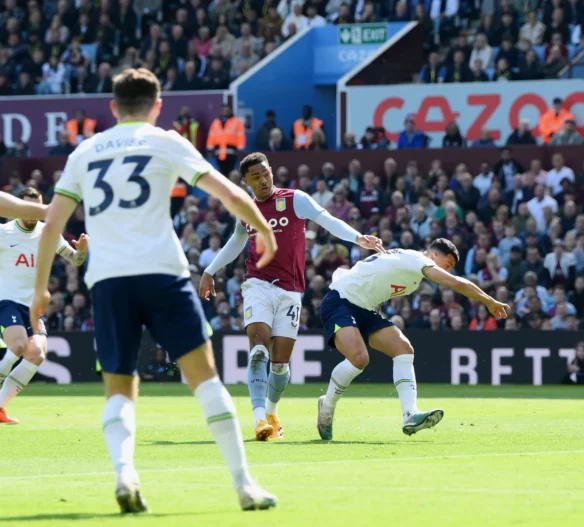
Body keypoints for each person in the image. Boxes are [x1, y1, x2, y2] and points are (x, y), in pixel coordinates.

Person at [31, 68, 279, 513]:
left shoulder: (85, 151)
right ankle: (244, 486)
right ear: (158, 105)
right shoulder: (166, 141)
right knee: (206, 380)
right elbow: (226, 193)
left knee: (119, 390)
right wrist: (265, 229)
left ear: (113, 107)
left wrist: (39, 291)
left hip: (108, 280)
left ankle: (125, 475)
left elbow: (53, 224)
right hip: (163, 274)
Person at [199, 152, 384, 441]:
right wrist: (210, 270)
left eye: (265, 173)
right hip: (257, 285)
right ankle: (259, 418)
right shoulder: (245, 209)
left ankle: (272, 413)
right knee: (259, 349)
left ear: (271, 171)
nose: (263, 180)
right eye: (255, 177)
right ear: (246, 182)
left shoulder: (294, 199)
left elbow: (326, 219)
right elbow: (237, 241)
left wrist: (359, 238)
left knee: (280, 365)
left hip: (290, 291)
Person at [316, 239, 509, 439]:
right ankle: (327, 408)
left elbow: (375, 281)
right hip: (340, 301)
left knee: (403, 349)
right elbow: (456, 283)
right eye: (448, 265)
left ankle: (410, 414)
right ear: (433, 256)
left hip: (365, 308)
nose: (448, 271)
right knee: (359, 359)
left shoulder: (413, 274)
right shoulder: (417, 260)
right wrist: (489, 300)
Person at [0, 188, 88, 424]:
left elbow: (74, 260)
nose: (31, 213)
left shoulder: (48, 232)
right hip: (7, 302)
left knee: (36, 354)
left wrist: (81, 252)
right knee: (18, 346)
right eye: (26, 207)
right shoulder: (3, 233)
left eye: (35, 208)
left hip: (33, 307)